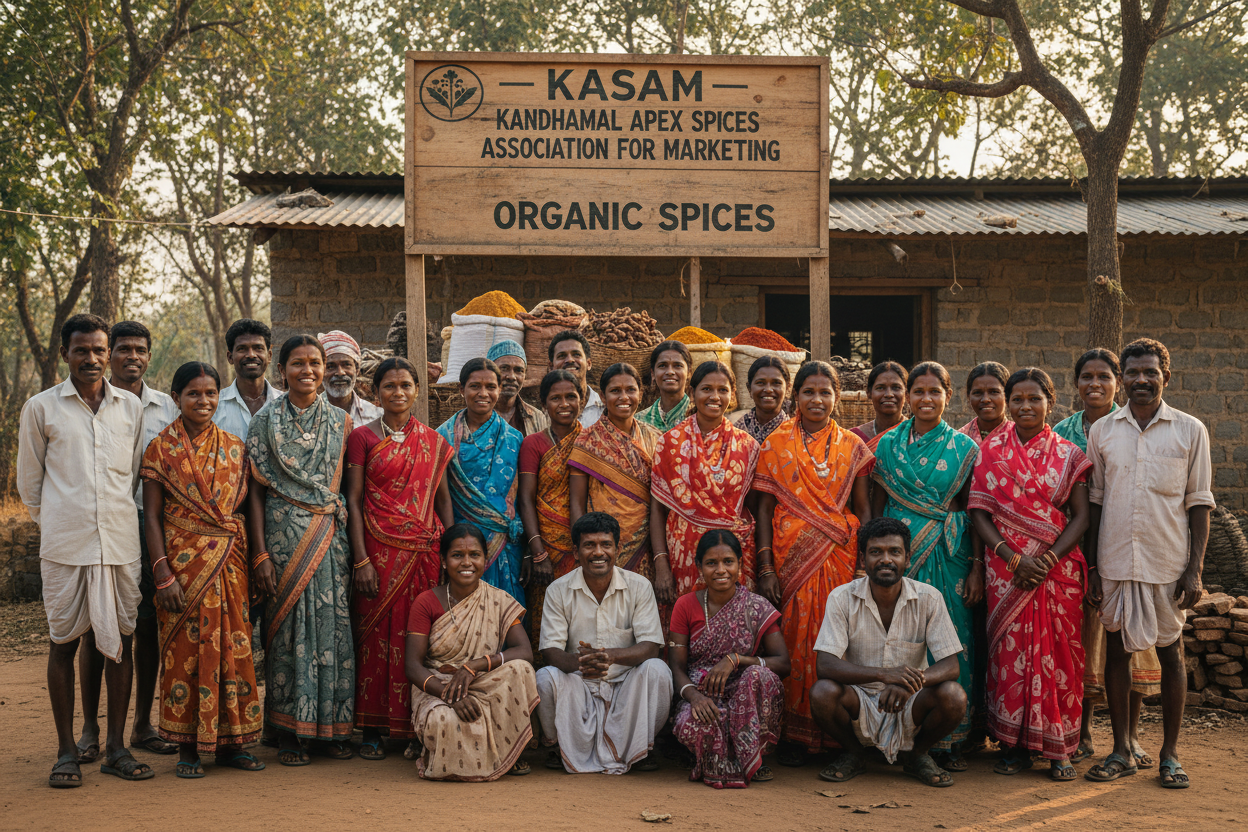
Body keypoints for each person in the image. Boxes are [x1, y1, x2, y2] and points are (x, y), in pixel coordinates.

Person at [18, 313, 152, 786]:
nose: (92, 359)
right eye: (82, 350)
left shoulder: (131, 409)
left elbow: (132, 474)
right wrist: (63, 523)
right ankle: (65, 752)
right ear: (65, 354)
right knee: (63, 643)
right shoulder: (41, 408)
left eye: (99, 350)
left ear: (108, 352)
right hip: (65, 547)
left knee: (121, 643)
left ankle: (117, 746)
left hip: (118, 544)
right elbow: (30, 487)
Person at [1084, 338, 1213, 788]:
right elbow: (1096, 502)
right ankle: (1121, 749)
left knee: (1170, 654)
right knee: (1117, 653)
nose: (1141, 380)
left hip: (1166, 560)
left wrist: (1194, 568)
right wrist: (1094, 568)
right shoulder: (1103, 432)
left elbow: (1199, 503)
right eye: (1133, 373)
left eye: (1150, 373)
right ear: (1123, 379)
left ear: (1166, 377)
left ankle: (1170, 755)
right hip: (1116, 560)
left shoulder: (1190, 430)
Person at [140, 362, 265, 778]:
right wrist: (162, 574)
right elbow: (153, 517)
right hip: (182, 568)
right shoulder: (160, 449)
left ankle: (233, 745)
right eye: (194, 394)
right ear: (175, 398)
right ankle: (187, 747)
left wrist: (255, 556)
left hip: (230, 566)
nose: (204, 401)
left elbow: (247, 508)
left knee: (233, 649)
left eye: (211, 393)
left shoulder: (234, 445)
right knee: (185, 654)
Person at [968, 368, 1092, 781]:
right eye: (1017, 399)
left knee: (1059, 655)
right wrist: (1012, 557)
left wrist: (1049, 559)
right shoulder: (991, 450)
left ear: (1049, 403)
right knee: (1010, 655)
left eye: (1033, 399)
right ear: (1008, 403)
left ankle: (1060, 748)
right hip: (1007, 570)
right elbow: (980, 513)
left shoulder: (1070, 454)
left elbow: (1081, 516)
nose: (1024, 407)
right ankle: (1014, 746)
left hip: (1056, 574)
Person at [754, 361, 872, 765]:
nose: (817, 400)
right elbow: (764, 511)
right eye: (809, 392)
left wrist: (862, 568)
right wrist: (766, 566)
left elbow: (863, 510)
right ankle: (791, 734)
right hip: (790, 559)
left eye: (825, 392)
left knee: (835, 639)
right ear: (796, 397)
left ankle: (833, 733)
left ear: (837, 398)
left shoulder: (853, 447)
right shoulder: (775, 443)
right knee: (792, 639)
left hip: (839, 559)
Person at [73, 321, 180, 766]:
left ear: (149, 356)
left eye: (140, 349)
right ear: (108, 353)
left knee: (146, 628)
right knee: (96, 627)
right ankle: (91, 728)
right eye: (123, 349)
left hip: (155, 526)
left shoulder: (166, 407)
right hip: (102, 526)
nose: (131, 356)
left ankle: (140, 725)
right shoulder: (89, 401)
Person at [246, 334, 355, 765]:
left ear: (324, 368)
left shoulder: (343, 424)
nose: (307, 371)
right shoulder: (264, 423)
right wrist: (259, 554)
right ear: (282, 370)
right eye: (297, 363)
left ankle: (331, 729)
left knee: (333, 629)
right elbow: (253, 493)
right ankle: (287, 731)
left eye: (315, 363)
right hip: (281, 542)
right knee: (287, 635)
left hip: (329, 542)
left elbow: (349, 490)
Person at [871, 361, 981, 769]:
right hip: (897, 557)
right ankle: (892, 731)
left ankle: (948, 739)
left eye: (935, 392)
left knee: (950, 640)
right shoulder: (886, 445)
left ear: (948, 397)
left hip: (947, 553)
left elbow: (975, 509)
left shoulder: (964, 449)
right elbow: (878, 508)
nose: (926, 399)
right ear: (907, 397)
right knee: (901, 637)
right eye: (918, 392)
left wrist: (975, 567)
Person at [1054, 349, 1161, 767]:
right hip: (1072, 552)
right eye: (1086, 377)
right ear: (1075, 383)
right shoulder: (1061, 432)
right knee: (1081, 644)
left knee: (1128, 645)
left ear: (1117, 382)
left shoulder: (1132, 426)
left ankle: (1130, 735)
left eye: (1104, 376)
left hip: (1128, 550)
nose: (1094, 384)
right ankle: (1081, 734)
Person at [346, 357, 453, 761]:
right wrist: (361, 561)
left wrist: (450, 555)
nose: (398, 392)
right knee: (375, 638)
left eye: (406, 385)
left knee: (418, 639)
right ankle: (372, 727)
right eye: (389, 386)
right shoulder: (362, 438)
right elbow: (353, 501)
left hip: (424, 555)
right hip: (377, 552)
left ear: (417, 391)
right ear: (376, 392)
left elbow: (443, 503)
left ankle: (414, 727)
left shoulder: (434, 441)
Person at [809, 517, 968, 788]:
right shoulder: (841, 597)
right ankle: (855, 754)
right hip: (858, 699)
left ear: (907, 558)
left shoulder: (929, 597)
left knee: (954, 696)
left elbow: (951, 665)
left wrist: (910, 683)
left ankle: (916, 755)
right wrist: (885, 675)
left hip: (910, 700)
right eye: (876, 552)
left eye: (894, 552)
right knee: (822, 692)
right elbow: (824, 665)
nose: (885, 559)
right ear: (863, 559)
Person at [537, 512, 673, 774]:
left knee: (657, 671)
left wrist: (611, 657)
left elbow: (651, 646)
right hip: (579, 684)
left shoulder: (639, 586)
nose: (598, 552)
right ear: (576, 552)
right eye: (589, 545)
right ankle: (557, 747)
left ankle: (642, 748)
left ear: (617, 549)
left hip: (626, 687)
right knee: (545, 678)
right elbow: (550, 651)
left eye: (605, 545)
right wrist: (584, 663)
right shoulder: (558, 589)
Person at [405, 524, 539, 780]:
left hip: (482, 683)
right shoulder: (426, 602)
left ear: (485, 560)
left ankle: (510, 749)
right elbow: (413, 666)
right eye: (457, 555)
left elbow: (525, 651)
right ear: (444, 561)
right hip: (439, 687)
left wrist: (475, 665)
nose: (467, 562)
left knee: (521, 668)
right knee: (443, 722)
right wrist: (449, 694)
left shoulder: (499, 600)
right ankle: (494, 754)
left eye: (474, 555)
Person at [670, 530, 790, 789]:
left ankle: (752, 756)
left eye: (728, 562)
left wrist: (737, 659)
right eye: (711, 563)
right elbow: (676, 667)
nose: (720, 570)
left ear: (740, 564)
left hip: (746, 694)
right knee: (691, 724)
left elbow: (782, 663)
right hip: (702, 692)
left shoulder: (757, 606)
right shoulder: (685, 605)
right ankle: (720, 758)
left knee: (761, 675)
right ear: (699, 566)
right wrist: (695, 698)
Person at [651, 361, 760, 610]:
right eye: (706, 389)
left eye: (723, 390)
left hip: (733, 556)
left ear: (732, 395)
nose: (715, 396)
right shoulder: (669, 443)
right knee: (687, 625)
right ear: (693, 393)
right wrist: (661, 564)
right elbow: (658, 510)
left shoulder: (748, 446)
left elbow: (749, 508)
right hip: (684, 555)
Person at [437, 357, 525, 606]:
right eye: (475, 386)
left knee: (505, 610)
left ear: (499, 389)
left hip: (504, 545)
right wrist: (450, 544)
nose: (483, 393)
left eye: (491, 386)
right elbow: (442, 498)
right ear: (461, 389)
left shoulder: (514, 439)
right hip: (461, 543)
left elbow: (522, 496)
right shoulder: (442, 438)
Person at [568, 363, 661, 577]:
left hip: (646, 545)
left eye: (630, 390)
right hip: (602, 547)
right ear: (602, 395)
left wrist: (660, 554)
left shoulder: (655, 439)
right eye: (615, 391)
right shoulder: (586, 440)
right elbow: (577, 502)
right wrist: (584, 548)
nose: (624, 397)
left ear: (641, 392)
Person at [518, 370, 583, 642]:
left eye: (571, 396)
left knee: (580, 614)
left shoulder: (589, 440)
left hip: (579, 543)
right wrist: (537, 551)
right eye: (556, 398)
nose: (564, 404)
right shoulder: (534, 444)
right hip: (545, 544)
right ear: (543, 404)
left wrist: (584, 547)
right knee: (546, 615)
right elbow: (525, 498)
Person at [214, 319, 282, 441]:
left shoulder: (285, 404)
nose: (251, 355)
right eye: (242, 349)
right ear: (230, 357)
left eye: (258, 348)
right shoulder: (215, 407)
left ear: (269, 356)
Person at [319, 330, 382, 426]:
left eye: (347, 365)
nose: (340, 373)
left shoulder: (376, 417)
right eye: (330, 366)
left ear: (357, 369)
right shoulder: (307, 416)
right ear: (320, 371)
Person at [488, 339, 550, 436]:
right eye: (504, 368)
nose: (512, 377)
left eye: (519, 370)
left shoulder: (536, 417)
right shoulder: (476, 414)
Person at [731, 356, 793, 444]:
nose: (768, 389)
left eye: (776, 383)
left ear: (787, 389)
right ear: (749, 389)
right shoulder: (737, 431)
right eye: (760, 383)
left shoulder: (795, 433)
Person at [549, 329, 604, 427]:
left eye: (576, 354)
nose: (570, 360)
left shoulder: (604, 409)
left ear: (588, 363)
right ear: (551, 367)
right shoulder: (544, 413)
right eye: (562, 356)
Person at [850, 361, 908, 451]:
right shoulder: (854, 438)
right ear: (869, 393)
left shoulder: (916, 436)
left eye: (896, 387)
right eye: (880, 388)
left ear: (906, 393)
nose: (889, 394)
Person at [637, 340, 692, 432]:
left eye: (677, 365)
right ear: (653, 373)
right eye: (662, 366)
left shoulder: (701, 418)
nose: (670, 372)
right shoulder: (639, 421)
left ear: (689, 372)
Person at [959, 361, 1010, 445]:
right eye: (977, 393)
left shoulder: (1021, 438)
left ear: (1007, 395)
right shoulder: (958, 441)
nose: (985, 399)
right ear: (968, 397)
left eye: (994, 392)